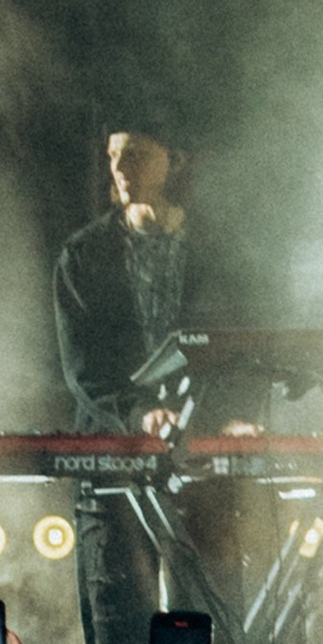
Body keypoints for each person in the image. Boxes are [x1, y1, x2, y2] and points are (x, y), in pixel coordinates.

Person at [51, 123, 210, 437]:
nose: (119, 168)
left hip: (202, 440)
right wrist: (140, 413)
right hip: (115, 447)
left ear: (174, 162)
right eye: (113, 155)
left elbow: (238, 347)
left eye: (135, 154)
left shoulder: (214, 250)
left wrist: (234, 414)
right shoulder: (84, 255)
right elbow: (84, 370)